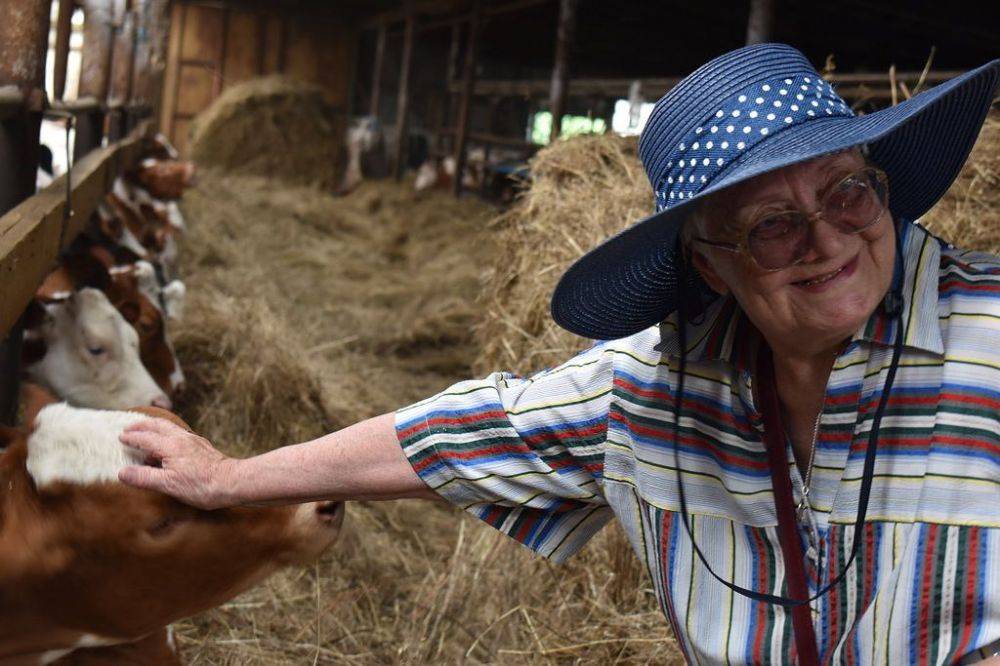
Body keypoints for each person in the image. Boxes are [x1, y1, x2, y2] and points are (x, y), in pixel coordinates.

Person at [118, 44, 1000, 664]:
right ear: (711, 266)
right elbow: (454, 437)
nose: (828, 240)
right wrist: (226, 479)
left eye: (848, 191)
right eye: (773, 224)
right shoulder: (652, 389)